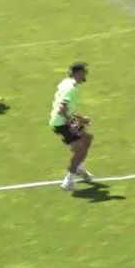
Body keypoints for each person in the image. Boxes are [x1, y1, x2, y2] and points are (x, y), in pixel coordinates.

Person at [50, 62, 95, 191]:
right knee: (80, 150)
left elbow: (66, 109)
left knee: (87, 138)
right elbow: (62, 110)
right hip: (61, 123)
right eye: (84, 72)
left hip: (63, 120)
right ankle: (68, 180)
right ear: (78, 73)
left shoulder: (67, 83)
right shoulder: (70, 88)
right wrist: (73, 123)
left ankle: (80, 168)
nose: (85, 74)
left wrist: (81, 119)